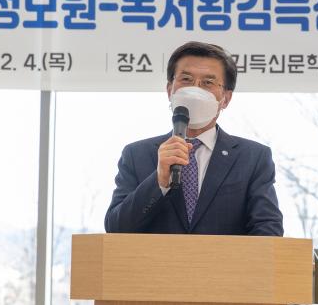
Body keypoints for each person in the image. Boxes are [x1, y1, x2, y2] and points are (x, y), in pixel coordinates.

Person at [104, 41, 283, 236]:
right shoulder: (136, 154)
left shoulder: (253, 157)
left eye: (208, 83)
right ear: (169, 90)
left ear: (226, 98)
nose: (195, 90)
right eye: (186, 79)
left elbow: (269, 230)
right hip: (156, 258)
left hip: (224, 257)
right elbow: (116, 228)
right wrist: (159, 181)